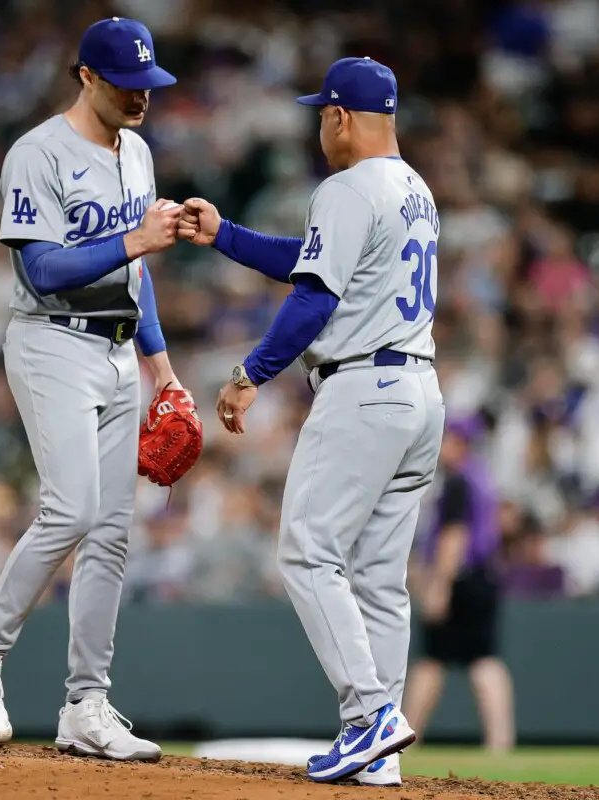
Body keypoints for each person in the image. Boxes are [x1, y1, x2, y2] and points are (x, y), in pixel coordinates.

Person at [180, 57, 443, 785]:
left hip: (363, 389)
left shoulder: (347, 185)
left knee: (306, 549)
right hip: (418, 393)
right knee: (379, 580)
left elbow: (314, 298)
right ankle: (377, 756)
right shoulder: (414, 189)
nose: (318, 127)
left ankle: (369, 715)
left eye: (320, 114)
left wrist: (248, 374)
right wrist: (225, 235)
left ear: (338, 117)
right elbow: (314, 261)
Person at [0, 17, 185, 761]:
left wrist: (164, 368)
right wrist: (134, 239)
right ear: (85, 76)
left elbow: (134, 277)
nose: (141, 97)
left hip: (117, 350)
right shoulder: (37, 153)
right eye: (125, 83)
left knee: (112, 532)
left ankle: (87, 704)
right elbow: (41, 270)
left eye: (148, 83)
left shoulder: (138, 151)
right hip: (51, 340)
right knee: (72, 508)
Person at [403, 418, 516, 752]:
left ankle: (407, 739)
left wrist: (439, 585)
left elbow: (455, 536)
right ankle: (500, 742)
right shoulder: (480, 476)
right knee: (477, 660)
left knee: (439, 661)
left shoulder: (458, 482)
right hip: (482, 577)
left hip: (462, 579)